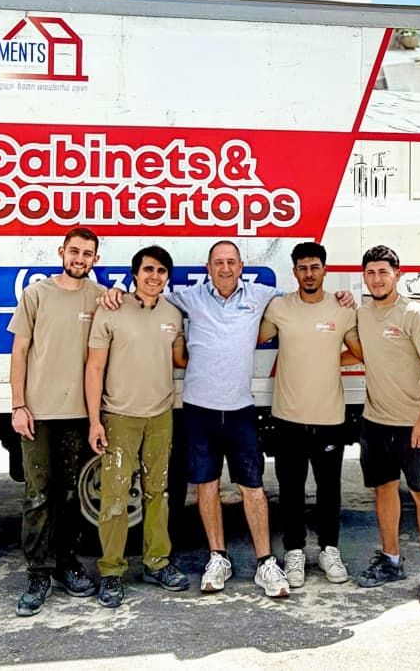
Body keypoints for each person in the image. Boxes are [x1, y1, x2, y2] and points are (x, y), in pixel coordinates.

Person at [100, 240, 354, 598]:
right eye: (218, 262)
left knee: (253, 489)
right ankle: (218, 557)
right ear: (208, 267)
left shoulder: (263, 295)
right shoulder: (188, 298)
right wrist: (115, 293)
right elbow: (147, 296)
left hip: (239, 410)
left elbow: (305, 298)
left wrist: (340, 299)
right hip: (199, 410)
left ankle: (266, 562)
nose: (225, 268)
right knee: (207, 487)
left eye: (231, 262)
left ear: (241, 266)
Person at [85, 245, 190, 608]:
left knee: (157, 492)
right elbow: (94, 367)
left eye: (161, 271)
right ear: (135, 273)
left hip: (160, 417)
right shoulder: (111, 310)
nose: (154, 276)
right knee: (114, 498)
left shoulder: (173, 315)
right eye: (148, 269)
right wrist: (95, 420)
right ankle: (111, 572)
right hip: (119, 417)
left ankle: (157, 562)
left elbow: (181, 359)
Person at [8, 228, 104, 616]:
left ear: (95, 260)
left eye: (88, 254)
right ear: (62, 251)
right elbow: (19, 352)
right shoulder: (37, 295)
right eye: (75, 251)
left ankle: (66, 563)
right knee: (38, 495)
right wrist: (18, 405)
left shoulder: (101, 298)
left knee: (69, 496)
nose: (80, 259)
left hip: (80, 415)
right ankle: (38, 572)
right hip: (40, 415)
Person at [257, 242, 362, 588]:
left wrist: (332, 359)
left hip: (330, 417)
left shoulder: (341, 308)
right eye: (302, 268)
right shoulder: (280, 307)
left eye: (314, 267)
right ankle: (295, 552)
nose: (309, 274)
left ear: (324, 270)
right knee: (290, 489)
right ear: (294, 272)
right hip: (288, 416)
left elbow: (362, 350)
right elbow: (254, 335)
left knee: (329, 491)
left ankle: (329, 549)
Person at [354, 245, 420, 607]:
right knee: (384, 491)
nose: (377, 279)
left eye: (383, 272)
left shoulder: (414, 314)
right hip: (376, 422)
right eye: (371, 273)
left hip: (413, 426)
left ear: (397, 274)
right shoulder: (362, 313)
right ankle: (391, 560)